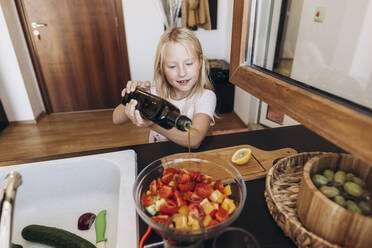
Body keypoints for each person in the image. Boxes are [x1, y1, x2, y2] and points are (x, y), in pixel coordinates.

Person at [113, 26, 216, 149]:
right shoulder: (155, 93)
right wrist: (135, 96)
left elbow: (194, 140)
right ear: (161, 68)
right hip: (158, 156)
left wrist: (152, 124)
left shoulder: (205, 97)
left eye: (188, 64)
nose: (182, 73)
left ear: (200, 62)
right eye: (172, 66)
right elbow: (116, 119)